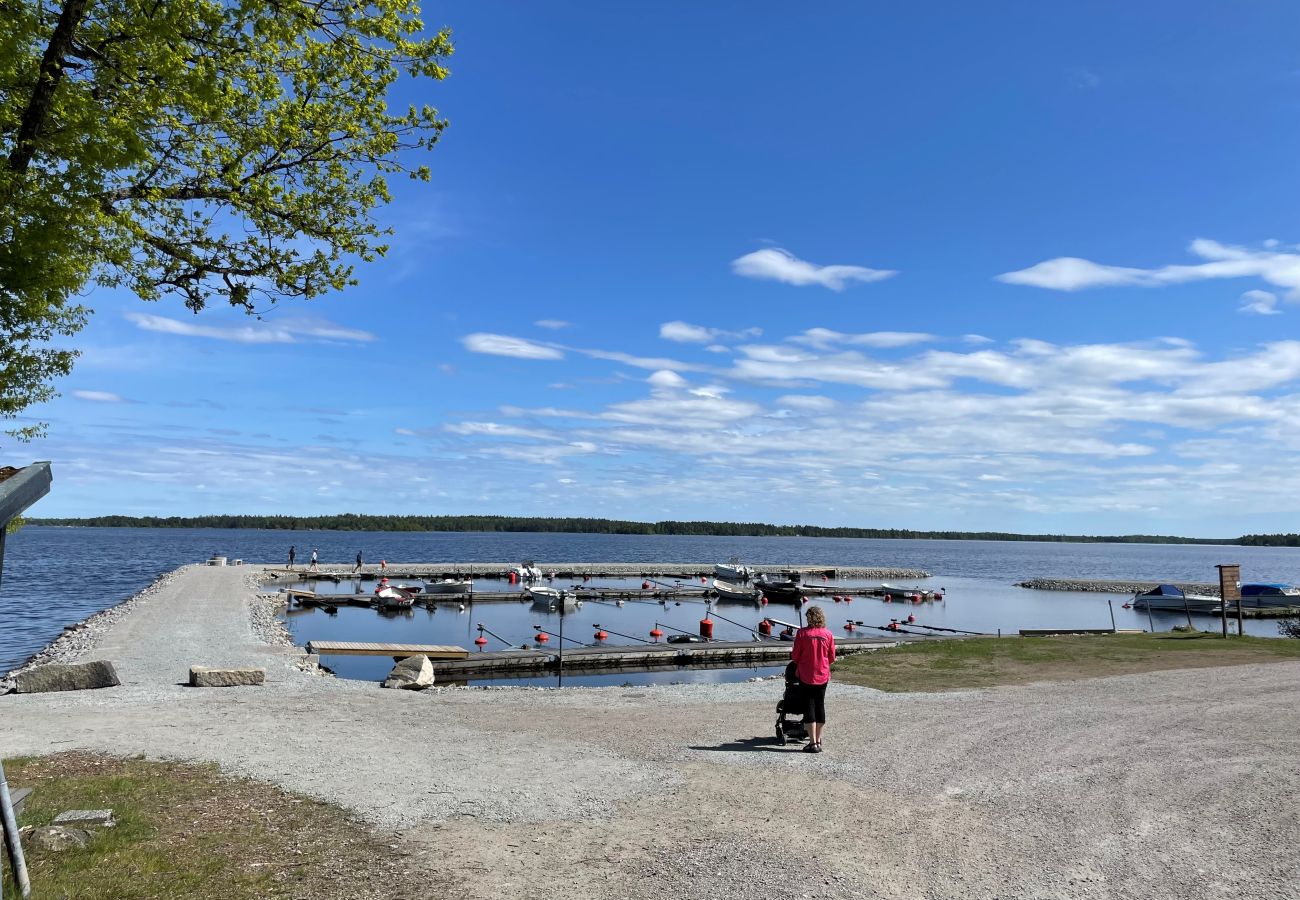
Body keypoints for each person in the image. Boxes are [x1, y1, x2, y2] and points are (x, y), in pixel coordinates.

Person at [791, 605, 836, 753]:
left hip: (806, 674)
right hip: (822, 674)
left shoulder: (802, 633)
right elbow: (832, 657)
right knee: (820, 705)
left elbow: (795, 656)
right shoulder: (828, 634)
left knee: (809, 706)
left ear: (809, 618)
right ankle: (818, 739)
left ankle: (812, 743)